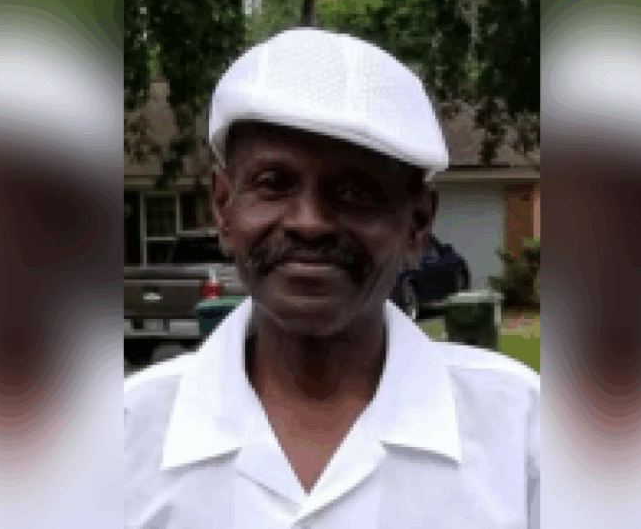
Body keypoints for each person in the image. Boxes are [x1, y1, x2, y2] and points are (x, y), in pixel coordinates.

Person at [125, 27, 540, 528]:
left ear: (418, 223)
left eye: (354, 191)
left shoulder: (524, 431)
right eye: (274, 184)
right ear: (222, 207)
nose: (309, 221)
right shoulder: (121, 436)